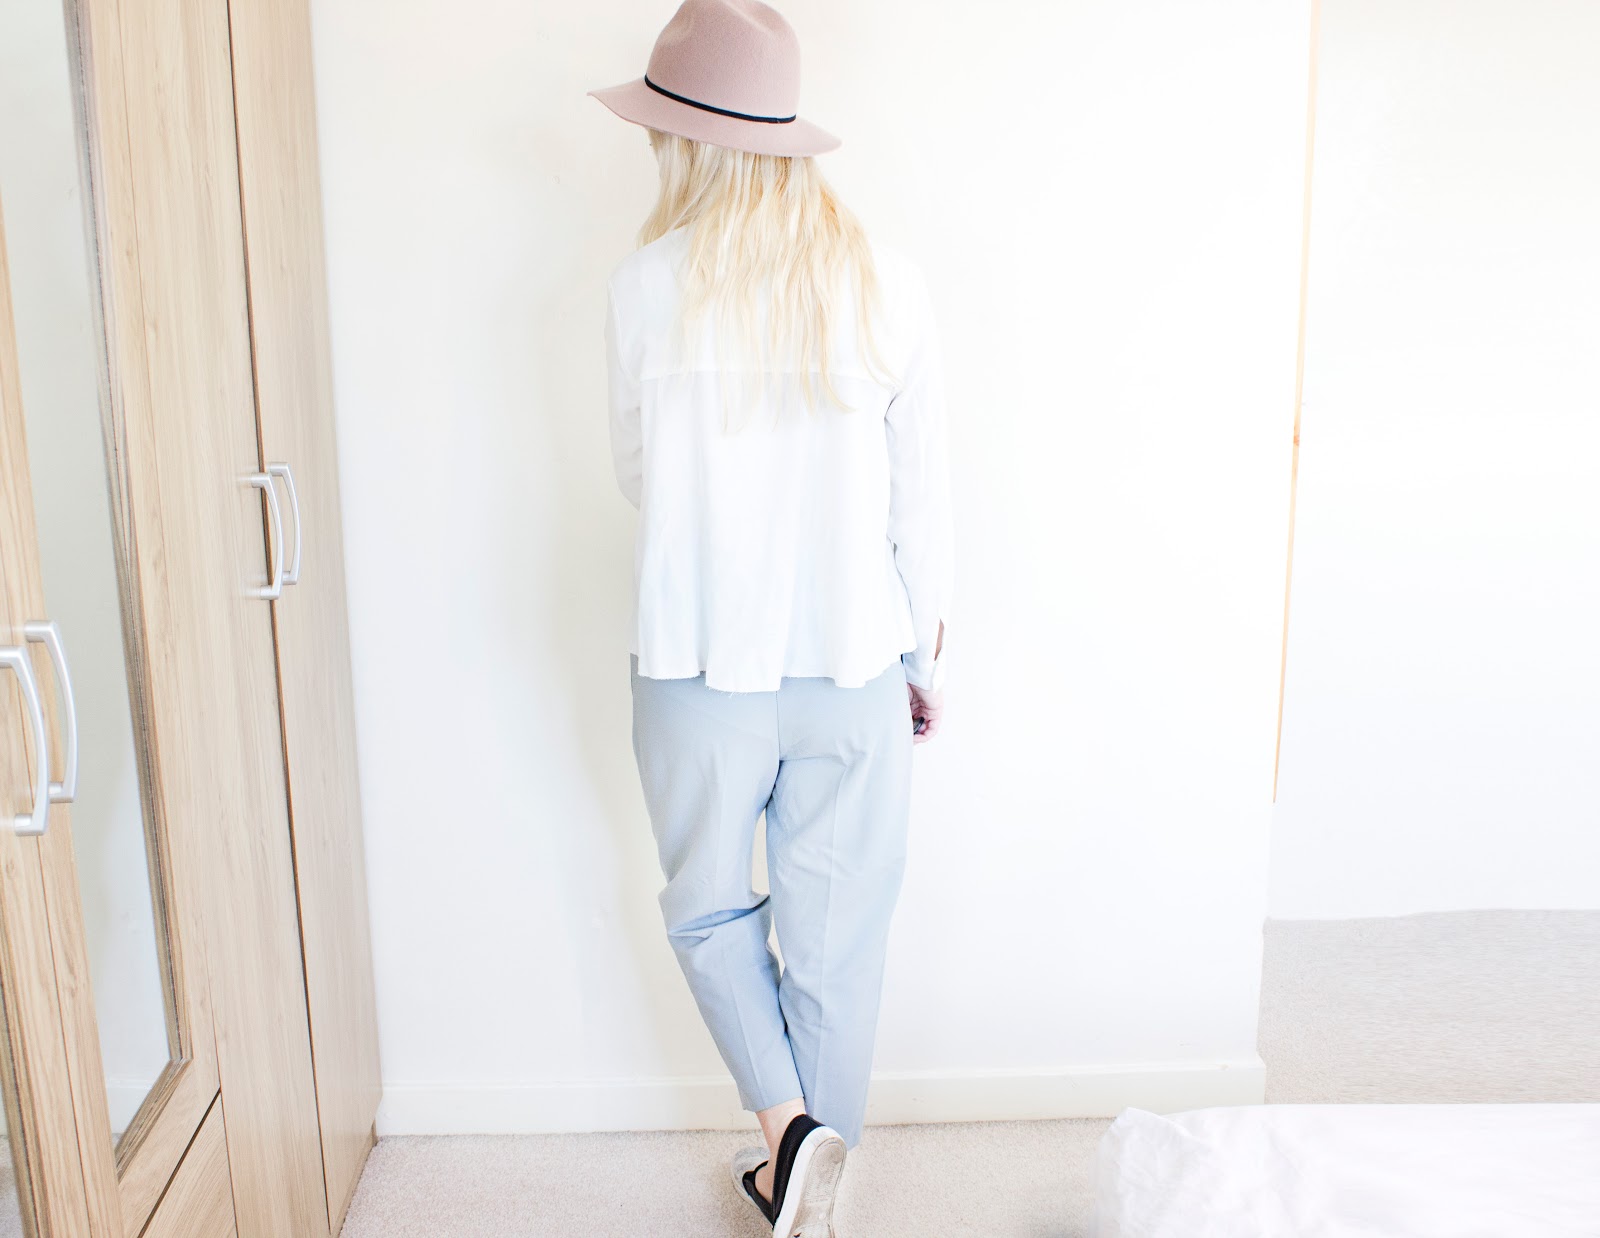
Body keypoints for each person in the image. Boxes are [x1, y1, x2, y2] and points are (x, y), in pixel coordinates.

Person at [589, 1, 953, 1232]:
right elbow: (922, 505)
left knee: (707, 907)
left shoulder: (642, 287)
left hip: (695, 660)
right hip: (854, 664)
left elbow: (638, 475)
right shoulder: (888, 283)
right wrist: (923, 664)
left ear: (685, 141)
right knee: (839, 941)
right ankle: (813, 1184)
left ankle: (785, 1137)